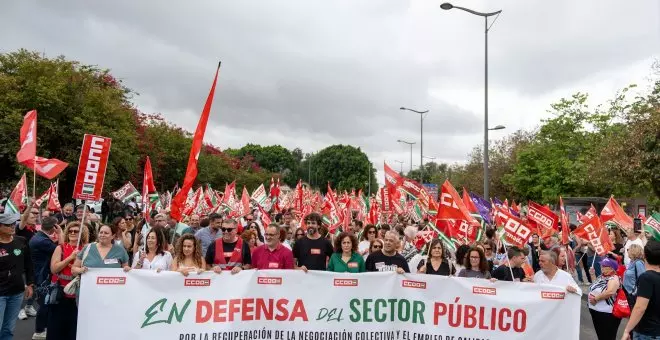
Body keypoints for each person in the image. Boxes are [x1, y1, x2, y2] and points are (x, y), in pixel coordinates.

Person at [47, 222, 89, 340]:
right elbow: (54, 269)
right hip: (61, 293)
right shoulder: (60, 248)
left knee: (75, 328)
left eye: (76, 231)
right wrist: (70, 258)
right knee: (57, 328)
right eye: (70, 231)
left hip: (80, 294)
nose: (72, 233)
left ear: (82, 233)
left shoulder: (87, 249)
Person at [0, 212, 34, 340]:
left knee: (8, 329)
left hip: (17, 293)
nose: (12, 226)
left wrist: (30, 284)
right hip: (0, 294)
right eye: (8, 225)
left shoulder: (21, 241)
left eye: (13, 223)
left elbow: (29, 264)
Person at [28, 216, 61, 340]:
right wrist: (61, 233)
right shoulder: (42, 241)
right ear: (54, 227)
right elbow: (61, 250)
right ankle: (39, 330)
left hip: (41, 274)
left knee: (46, 302)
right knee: (45, 303)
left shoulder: (39, 237)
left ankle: (43, 328)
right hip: (43, 276)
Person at [622, 240, 660, 340]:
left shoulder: (646, 278)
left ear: (644, 256)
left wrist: (627, 330)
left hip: (648, 332)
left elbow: (640, 308)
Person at [587, 258, 621, 340]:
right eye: (602, 265)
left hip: (606, 313)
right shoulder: (602, 276)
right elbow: (596, 285)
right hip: (597, 310)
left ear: (612, 268)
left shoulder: (614, 278)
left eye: (605, 266)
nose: (602, 267)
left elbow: (610, 292)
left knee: (607, 336)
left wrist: (596, 299)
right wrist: (592, 274)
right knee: (601, 335)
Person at [622, 244, 645, 309]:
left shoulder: (638, 263)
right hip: (628, 291)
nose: (627, 251)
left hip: (633, 293)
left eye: (628, 249)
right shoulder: (632, 261)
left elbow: (642, 279)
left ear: (633, 251)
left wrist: (634, 292)